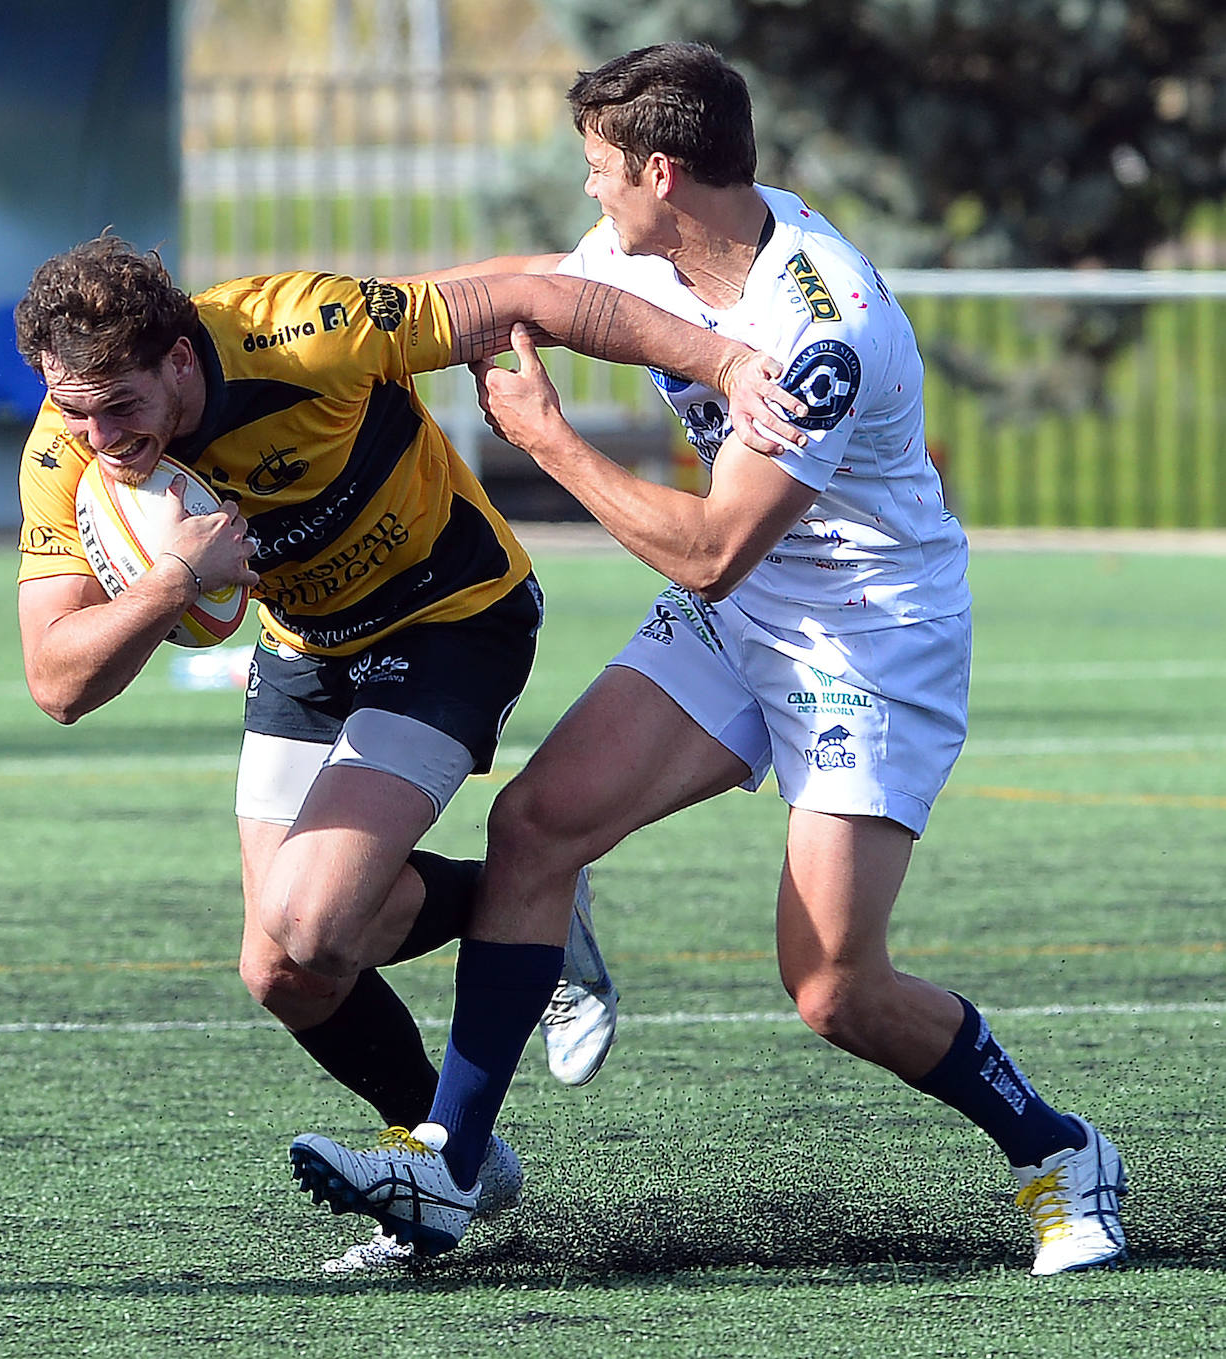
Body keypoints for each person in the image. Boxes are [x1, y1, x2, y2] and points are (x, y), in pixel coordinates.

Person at [288, 43, 1128, 1278]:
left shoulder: (817, 328)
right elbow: (506, 291)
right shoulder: (658, 253)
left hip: (864, 636)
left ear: (663, 173)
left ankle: (1059, 1151)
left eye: (598, 173)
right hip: (746, 619)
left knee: (833, 988)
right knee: (536, 828)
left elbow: (711, 552)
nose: (590, 196)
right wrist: (305, 338)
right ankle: (448, 1170)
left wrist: (549, 443)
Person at [13, 232, 808, 1272]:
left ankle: (450, 1134)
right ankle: (451, 1135)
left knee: (307, 912)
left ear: (177, 357)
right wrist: (173, 581)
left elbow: (533, 294)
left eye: (119, 406)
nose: (98, 435)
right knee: (287, 967)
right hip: (307, 650)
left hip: (452, 618)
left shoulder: (303, 331)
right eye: (74, 408)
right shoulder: (63, 446)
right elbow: (59, 683)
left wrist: (728, 361)